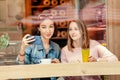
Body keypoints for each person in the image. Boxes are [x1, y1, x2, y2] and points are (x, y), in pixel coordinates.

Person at [16, 14, 61, 80]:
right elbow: (21, 70)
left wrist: (58, 67)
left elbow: (58, 76)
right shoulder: (31, 46)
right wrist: (22, 48)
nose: (48, 30)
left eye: (51, 27)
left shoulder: (56, 48)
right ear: (38, 28)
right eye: (44, 27)